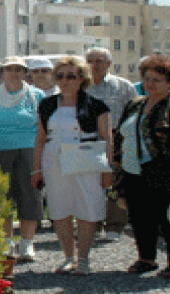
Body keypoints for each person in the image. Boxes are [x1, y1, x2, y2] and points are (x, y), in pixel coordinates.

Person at [115, 55, 170, 279]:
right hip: (133, 169)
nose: (150, 84)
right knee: (140, 217)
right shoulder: (135, 104)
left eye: (157, 80)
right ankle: (146, 258)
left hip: (166, 169)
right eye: (147, 79)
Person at [31, 56, 112, 276]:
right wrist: (36, 169)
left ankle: (83, 259)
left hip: (85, 158)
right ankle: (68, 257)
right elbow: (40, 139)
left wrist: (107, 169)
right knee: (60, 209)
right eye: (60, 76)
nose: (65, 80)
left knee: (87, 208)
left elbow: (107, 138)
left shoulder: (97, 105)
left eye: (71, 76)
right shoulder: (47, 104)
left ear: (81, 78)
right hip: (54, 159)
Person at [0, 56, 45, 263]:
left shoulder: (36, 95)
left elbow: (43, 126)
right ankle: (6, 242)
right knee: (1, 197)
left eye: (18, 69)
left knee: (30, 194)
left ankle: (27, 242)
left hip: (28, 149)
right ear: (2, 73)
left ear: (25, 73)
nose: (14, 73)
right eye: (9, 69)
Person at [85, 47, 138, 243]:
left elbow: (134, 113)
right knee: (90, 183)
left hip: (117, 136)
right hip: (88, 138)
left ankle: (115, 225)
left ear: (109, 63)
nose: (94, 65)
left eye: (99, 61)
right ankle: (93, 223)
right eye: (90, 61)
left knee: (116, 182)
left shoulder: (123, 86)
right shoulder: (81, 86)